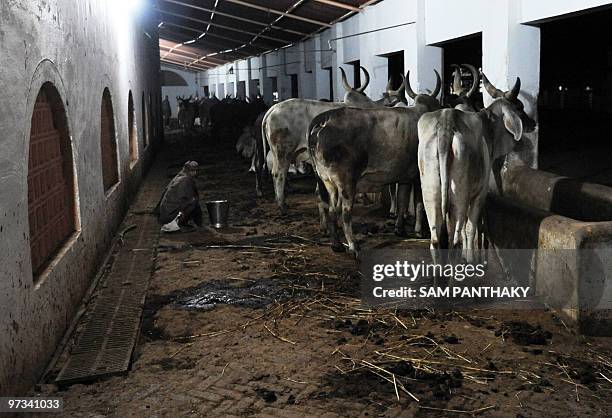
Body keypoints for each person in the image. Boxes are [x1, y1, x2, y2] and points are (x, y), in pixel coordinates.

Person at [155, 161, 203, 232]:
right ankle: (180, 224)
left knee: (189, 201)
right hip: (169, 218)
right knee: (193, 202)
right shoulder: (186, 180)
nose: (195, 173)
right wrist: (199, 223)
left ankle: (178, 222)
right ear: (191, 171)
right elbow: (193, 199)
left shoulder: (179, 176)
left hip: (163, 215)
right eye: (194, 171)